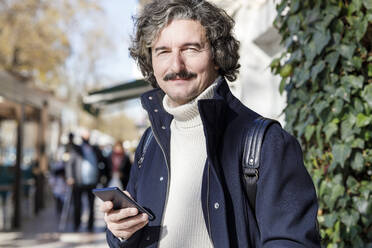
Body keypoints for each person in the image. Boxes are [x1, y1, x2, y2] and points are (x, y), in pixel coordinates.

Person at [100, 0, 321, 247]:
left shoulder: (267, 143)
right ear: (150, 61)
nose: (176, 65)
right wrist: (122, 232)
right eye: (163, 51)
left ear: (217, 56)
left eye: (191, 49)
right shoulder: (149, 143)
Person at [66, 130, 106, 232]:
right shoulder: (76, 149)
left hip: (92, 182)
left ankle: (90, 226)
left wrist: (102, 174)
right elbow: (70, 164)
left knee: (91, 205)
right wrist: (70, 177)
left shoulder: (95, 149)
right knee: (77, 205)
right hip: (78, 181)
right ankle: (77, 224)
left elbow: (103, 161)